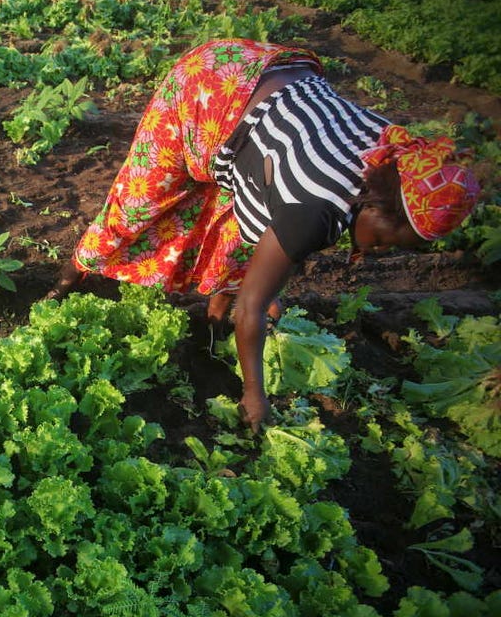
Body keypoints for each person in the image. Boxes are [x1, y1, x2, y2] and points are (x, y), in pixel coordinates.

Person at [47, 38, 481, 433]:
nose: (377, 251)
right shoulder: (317, 208)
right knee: (135, 203)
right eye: (388, 241)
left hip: (266, 74)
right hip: (209, 87)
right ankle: (67, 279)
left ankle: (212, 324)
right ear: (377, 204)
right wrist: (255, 394)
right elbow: (253, 305)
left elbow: (268, 254)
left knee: (241, 240)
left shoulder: (393, 152)